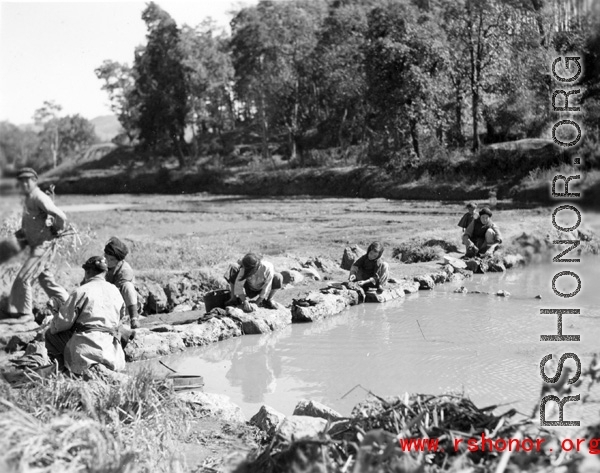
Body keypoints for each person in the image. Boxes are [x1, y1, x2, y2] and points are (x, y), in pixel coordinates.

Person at [3, 168, 69, 318]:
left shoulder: (38, 197)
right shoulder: (29, 198)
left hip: (43, 246)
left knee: (23, 278)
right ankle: (70, 306)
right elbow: (31, 224)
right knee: (46, 281)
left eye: (28, 181)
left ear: (34, 181)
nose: (24, 184)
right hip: (37, 246)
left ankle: (25, 316)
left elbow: (60, 215)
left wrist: (56, 229)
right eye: (21, 182)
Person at [45, 256, 126, 375]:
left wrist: (56, 314)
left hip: (87, 350)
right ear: (105, 272)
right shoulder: (115, 290)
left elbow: (62, 324)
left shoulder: (81, 291)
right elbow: (121, 317)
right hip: (111, 349)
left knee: (50, 334)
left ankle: (64, 371)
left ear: (87, 272)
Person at [104, 236, 140, 328]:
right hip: (105, 302)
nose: (107, 261)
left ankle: (134, 318)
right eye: (106, 257)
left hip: (122, 304)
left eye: (111, 259)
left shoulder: (125, 270)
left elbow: (115, 293)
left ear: (119, 261)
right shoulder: (101, 265)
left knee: (127, 286)